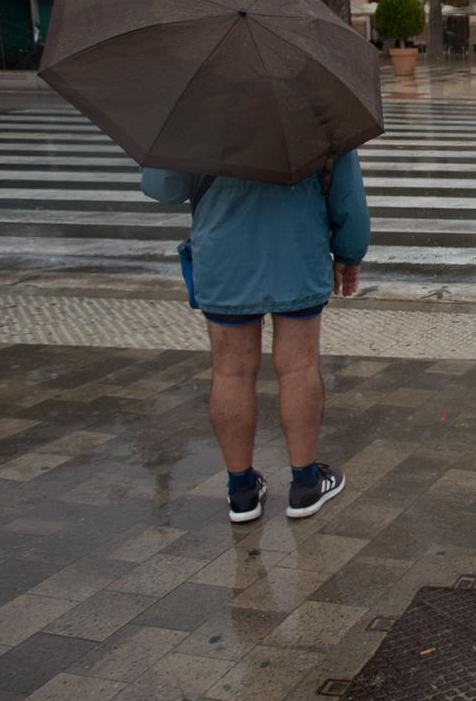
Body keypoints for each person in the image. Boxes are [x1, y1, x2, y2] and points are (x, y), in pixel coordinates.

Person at [142, 155, 369, 524]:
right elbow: (348, 197)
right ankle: (306, 484)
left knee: (230, 373)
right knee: (299, 366)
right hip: (297, 248)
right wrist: (350, 251)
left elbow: (164, 186)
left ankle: (242, 491)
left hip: (223, 254)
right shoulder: (320, 104)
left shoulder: (197, 106)